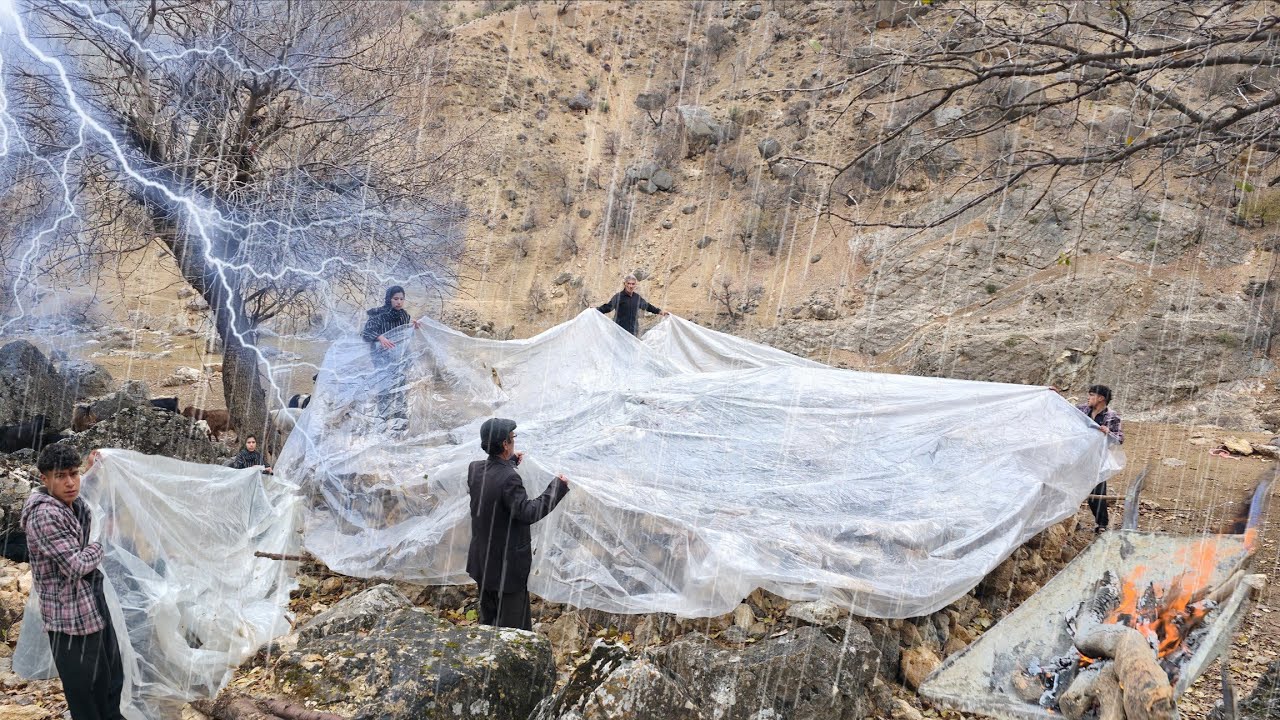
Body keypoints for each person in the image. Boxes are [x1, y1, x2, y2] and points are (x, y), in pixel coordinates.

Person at [22, 445, 125, 720]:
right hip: (68, 618)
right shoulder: (44, 515)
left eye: (74, 474)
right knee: (85, 692)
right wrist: (99, 547)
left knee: (111, 677)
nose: (70, 482)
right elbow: (76, 565)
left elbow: (90, 494)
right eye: (60, 476)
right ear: (45, 479)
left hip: (91, 602)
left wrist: (98, 469)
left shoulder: (74, 504)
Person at [466, 418, 570, 630]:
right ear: (505, 444)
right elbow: (528, 512)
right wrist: (557, 487)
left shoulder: (474, 470)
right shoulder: (509, 479)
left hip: (483, 562)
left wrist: (509, 462)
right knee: (514, 629)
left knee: (488, 620)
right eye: (512, 438)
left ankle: (485, 658)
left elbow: (493, 484)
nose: (513, 442)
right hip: (507, 568)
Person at [360, 286, 421, 423]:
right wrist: (380, 337)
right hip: (382, 358)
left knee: (400, 387)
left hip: (399, 358)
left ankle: (399, 418)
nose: (399, 302)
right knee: (384, 388)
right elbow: (366, 333)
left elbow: (404, 334)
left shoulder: (405, 315)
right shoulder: (378, 315)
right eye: (395, 299)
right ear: (389, 299)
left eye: (401, 299)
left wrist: (413, 327)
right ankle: (382, 418)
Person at [1077, 384, 1123, 533]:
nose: (1088, 398)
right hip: (1077, 456)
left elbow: (1119, 439)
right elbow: (1065, 410)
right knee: (1071, 487)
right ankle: (1072, 520)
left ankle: (1101, 524)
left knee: (1097, 491)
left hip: (1097, 458)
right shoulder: (1083, 410)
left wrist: (1108, 432)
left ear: (1101, 398)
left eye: (1091, 395)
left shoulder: (1112, 417)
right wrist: (1053, 395)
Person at [597, 274, 668, 336]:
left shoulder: (637, 298)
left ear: (635, 285)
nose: (630, 286)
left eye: (633, 284)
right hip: (619, 331)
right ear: (625, 284)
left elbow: (647, 306)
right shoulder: (618, 297)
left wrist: (660, 311)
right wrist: (596, 310)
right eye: (629, 283)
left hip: (633, 331)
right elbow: (608, 307)